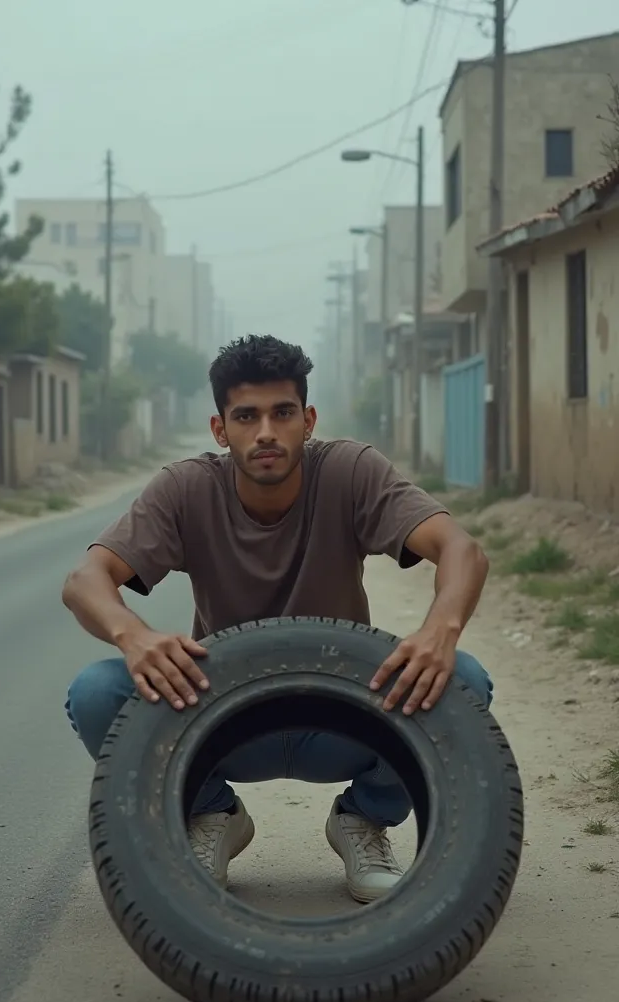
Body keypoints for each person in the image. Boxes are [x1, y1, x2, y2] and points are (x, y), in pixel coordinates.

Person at [62, 334, 491, 904]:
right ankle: (210, 812)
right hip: (223, 720)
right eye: (246, 416)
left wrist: (440, 631)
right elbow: (84, 581)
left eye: (282, 412)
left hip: (343, 715)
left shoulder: (350, 471)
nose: (266, 431)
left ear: (308, 420)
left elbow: (463, 550)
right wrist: (134, 636)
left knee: (464, 678)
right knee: (97, 691)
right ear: (220, 429)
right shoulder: (187, 489)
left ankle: (365, 818)